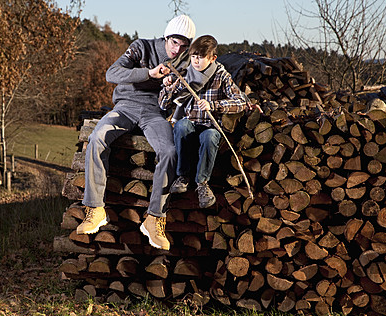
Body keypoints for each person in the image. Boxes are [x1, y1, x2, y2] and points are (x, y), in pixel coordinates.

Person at [76, 15, 196, 251]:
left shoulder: (186, 62)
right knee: (97, 138)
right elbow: (112, 73)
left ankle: (154, 218)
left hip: (155, 115)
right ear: (166, 37)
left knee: (169, 151)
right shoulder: (141, 47)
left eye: (183, 46)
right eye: (174, 43)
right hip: (124, 108)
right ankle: (94, 209)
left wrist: (174, 89)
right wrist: (149, 74)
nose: (177, 49)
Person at [159, 35, 254, 208]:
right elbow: (163, 104)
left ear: (212, 58)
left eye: (201, 57)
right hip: (190, 124)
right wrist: (167, 87)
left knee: (210, 136)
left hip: (211, 126)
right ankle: (182, 176)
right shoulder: (186, 74)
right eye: (193, 56)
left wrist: (214, 105)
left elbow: (240, 101)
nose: (196, 61)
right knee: (181, 125)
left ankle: (202, 183)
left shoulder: (221, 75)